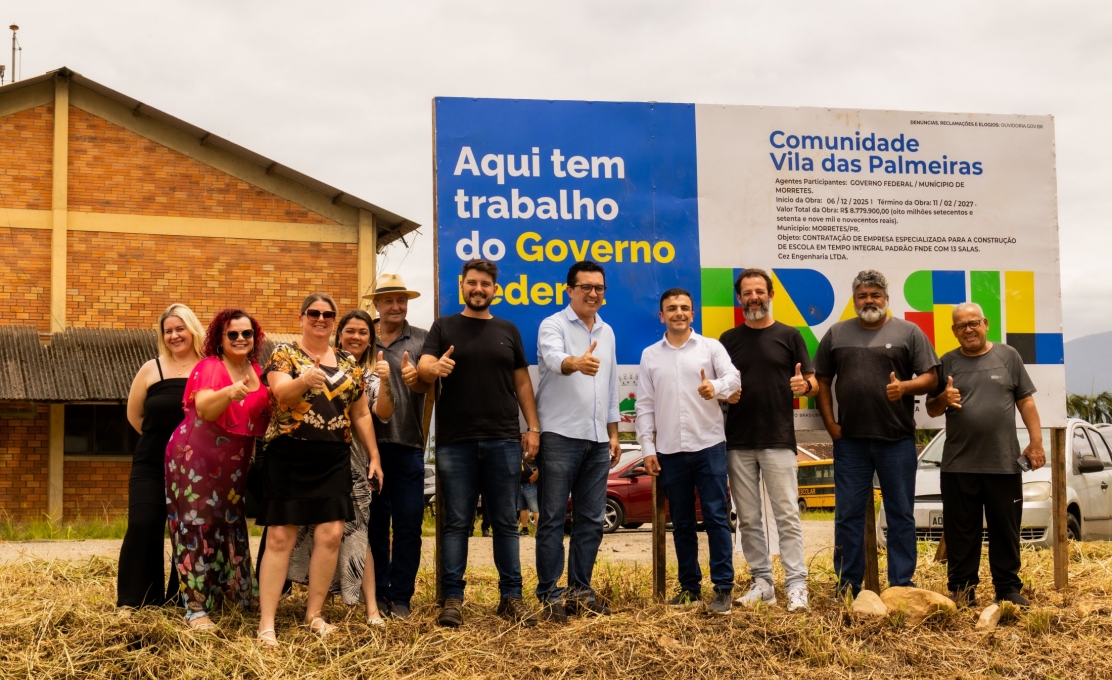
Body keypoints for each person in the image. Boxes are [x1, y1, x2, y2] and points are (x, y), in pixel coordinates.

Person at [415, 259, 541, 628]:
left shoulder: (508, 330)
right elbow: (423, 367)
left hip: (503, 439)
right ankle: (452, 599)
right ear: (463, 286)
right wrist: (432, 369)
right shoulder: (444, 326)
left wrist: (532, 426)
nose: (479, 289)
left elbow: (522, 384)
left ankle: (511, 598)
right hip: (456, 442)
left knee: (505, 522)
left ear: (494, 289)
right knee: (455, 523)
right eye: (472, 283)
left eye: (485, 284)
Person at [255, 293, 385, 645]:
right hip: (289, 454)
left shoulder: (348, 362)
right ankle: (267, 622)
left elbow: (359, 413)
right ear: (302, 317)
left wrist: (373, 455)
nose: (321, 319)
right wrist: (304, 381)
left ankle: (314, 614)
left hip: (333, 457)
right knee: (281, 537)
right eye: (314, 313)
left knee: (330, 535)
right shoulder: (285, 354)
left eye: (328, 314)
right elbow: (281, 394)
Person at [814, 270, 940, 596]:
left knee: (901, 515)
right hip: (850, 442)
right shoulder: (837, 333)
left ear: (886, 298)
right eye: (862, 295)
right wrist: (831, 425)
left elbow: (931, 378)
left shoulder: (909, 332)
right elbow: (822, 381)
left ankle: (901, 585)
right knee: (847, 517)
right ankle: (847, 585)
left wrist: (906, 387)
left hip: (897, 440)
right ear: (854, 299)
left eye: (875, 295)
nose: (869, 300)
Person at [926, 302, 1044, 607]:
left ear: (985, 323)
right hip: (958, 465)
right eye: (961, 326)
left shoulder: (1008, 356)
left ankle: (1007, 588)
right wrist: (942, 397)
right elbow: (931, 408)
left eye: (973, 323)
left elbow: (1026, 403)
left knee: (1005, 530)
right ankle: (963, 590)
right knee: (961, 531)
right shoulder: (946, 363)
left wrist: (1036, 442)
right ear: (953, 331)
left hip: (1003, 463)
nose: (968, 329)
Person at [285, 309, 394, 626]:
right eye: (350, 331)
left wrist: (386, 380)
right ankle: (311, 606)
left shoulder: (371, 375)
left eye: (363, 332)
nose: (356, 337)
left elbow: (382, 412)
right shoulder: (311, 364)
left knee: (358, 531)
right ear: (339, 333)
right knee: (311, 532)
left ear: (370, 339)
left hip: (355, 461)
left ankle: (371, 607)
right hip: (312, 459)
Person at [635, 288, 741, 615]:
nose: (678, 312)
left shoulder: (711, 348)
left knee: (715, 518)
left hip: (709, 445)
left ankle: (723, 587)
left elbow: (733, 378)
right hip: (669, 451)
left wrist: (717, 388)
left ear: (692, 314)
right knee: (681, 522)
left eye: (684, 308)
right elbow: (644, 405)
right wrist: (648, 448)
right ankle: (689, 588)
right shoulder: (650, 355)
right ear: (662, 315)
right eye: (671, 308)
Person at [164, 309, 269, 629]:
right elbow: (206, 408)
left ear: (255, 337)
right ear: (219, 339)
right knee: (198, 526)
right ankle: (196, 609)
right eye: (232, 334)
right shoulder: (210, 367)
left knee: (231, 524)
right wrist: (230, 392)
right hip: (195, 458)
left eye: (246, 334)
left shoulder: (256, 370)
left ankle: (235, 596)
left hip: (235, 465)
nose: (240, 339)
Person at [719, 269, 816, 612]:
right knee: (748, 518)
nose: (754, 297)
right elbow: (719, 389)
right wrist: (724, 395)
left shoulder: (790, 336)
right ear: (740, 298)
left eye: (759, 291)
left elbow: (813, 383)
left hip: (778, 438)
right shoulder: (727, 340)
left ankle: (796, 585)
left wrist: (804, 386)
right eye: (747, 292)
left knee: (787, 514)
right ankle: (763, 583)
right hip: (738, 441)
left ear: (770, 294)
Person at [533, 260, 621, 624]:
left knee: (591, 520)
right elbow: (553, 359)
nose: (593, 293)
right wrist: (575, 362)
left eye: (599, 287)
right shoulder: (552, 324)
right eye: (585, 287)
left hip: (599, 440)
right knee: (552, 519)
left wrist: (614, 434)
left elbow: (611, 385)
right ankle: (550, 595)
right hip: (559, 436)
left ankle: (580, 592)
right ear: (569, 290)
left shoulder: (608, 332)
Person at [119, 303, 204, 610]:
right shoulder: (151, 368)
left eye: (180, 328)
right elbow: (134, 416)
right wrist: (168, 445)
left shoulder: (208, 368)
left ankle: (183, 600)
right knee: (143, 523)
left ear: (193, 329)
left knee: (188, 531)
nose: (174, 335)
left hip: (196, 469)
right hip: (151, 463)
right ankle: (137, 601)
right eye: (168, 331)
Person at [365, 273, 429, 620]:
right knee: (374, 525)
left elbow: (430, 382)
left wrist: (418, 376)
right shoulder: (360, 337)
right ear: (375, 304)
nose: (395, 305)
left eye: (401, 299)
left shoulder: (420, 340)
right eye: (388, 299)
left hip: (407, 444)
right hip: (367, 448)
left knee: (409, 524)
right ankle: (377, 594)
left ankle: (401, 596)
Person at [518, 462, 538, 535]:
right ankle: (524, 529)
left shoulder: (532, 452)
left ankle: (539, 530)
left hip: (530, 482)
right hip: (519, 482)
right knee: (522, 507)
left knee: (535, 507)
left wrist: (536, 474)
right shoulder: (518, 452)